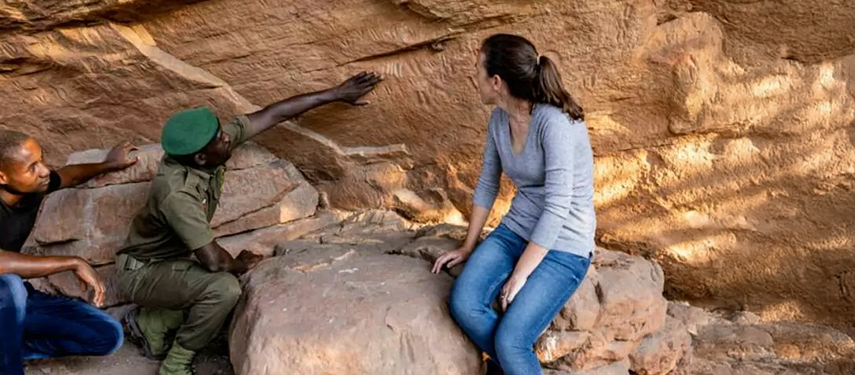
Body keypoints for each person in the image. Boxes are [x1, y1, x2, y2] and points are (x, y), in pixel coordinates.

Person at [116, 71, 382, 375]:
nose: (226, 137)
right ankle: (175, 365)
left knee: (219, 283)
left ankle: (151, 323)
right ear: (201, 158)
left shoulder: (202, 149)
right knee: (224, 289)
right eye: (219, 138)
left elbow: (272, 114)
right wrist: (241, 265)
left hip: (169, 263)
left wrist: (335, 93)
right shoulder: (176, 193)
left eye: (221, 131)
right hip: (141, 273)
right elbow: (215, 262)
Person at [432, 34, 596, 375]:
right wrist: (468, 245)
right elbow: (487, 183)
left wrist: (520, 275)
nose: (472, 76)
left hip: (564, 245)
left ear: (496, 81)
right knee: (464, 303)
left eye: (477, 69)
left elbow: (557, 207)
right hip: (515, 231)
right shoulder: (499, 120)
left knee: (511, 342)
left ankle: (511, 360)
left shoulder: (555, 123)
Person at [0, 134, 138, 375]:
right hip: (7, 293)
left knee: (107, 335)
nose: (44, 171)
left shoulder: (32, 187)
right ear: (2, 176)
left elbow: (69, 175)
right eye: (32, 167)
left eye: (41, 160)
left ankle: (11, 347)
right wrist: (73, 262)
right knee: (10, 283)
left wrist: (108, 164)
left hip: (12, 303)